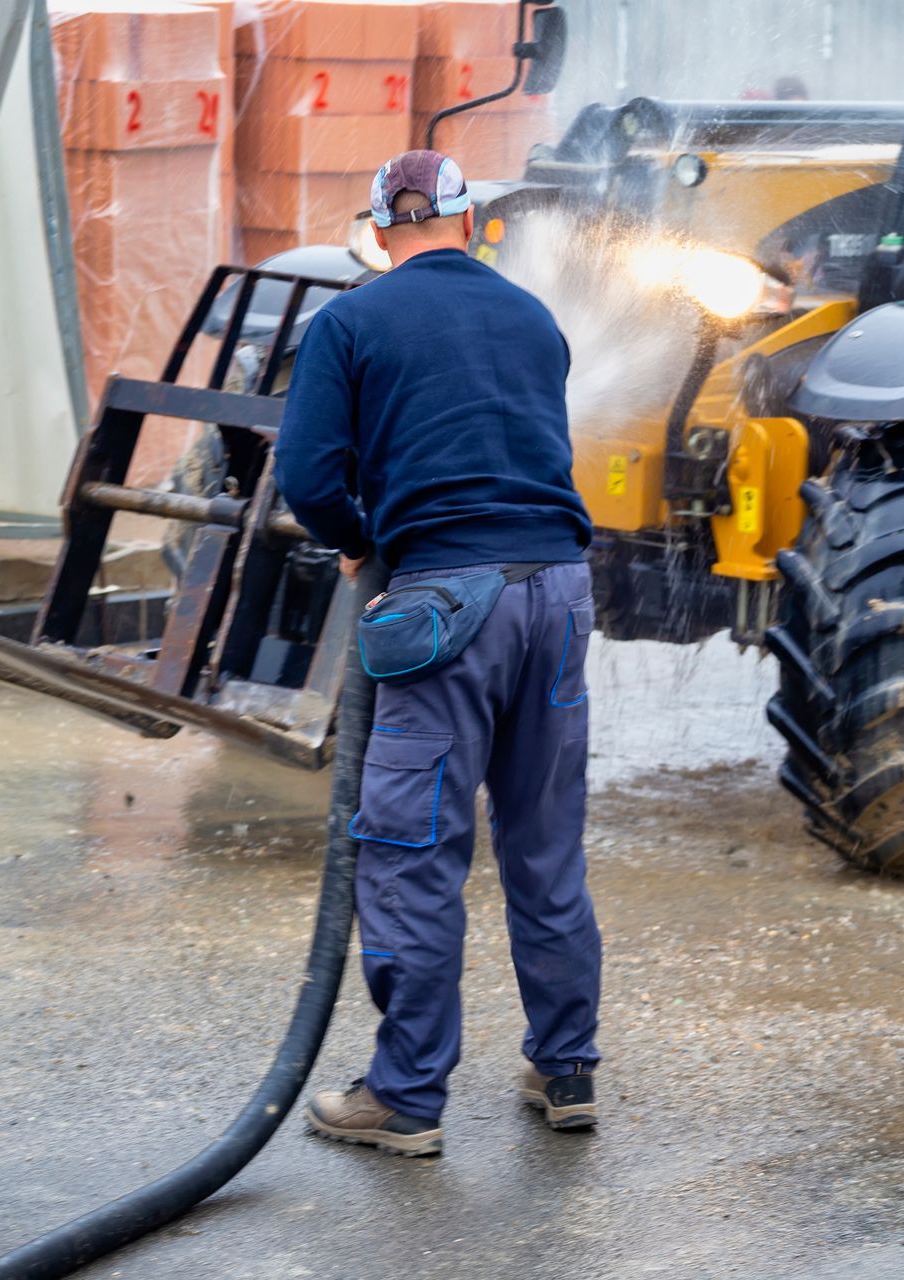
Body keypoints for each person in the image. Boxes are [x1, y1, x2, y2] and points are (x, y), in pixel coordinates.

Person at [271, 150, 602, 1158]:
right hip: (559, 589)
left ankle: (406, 1098)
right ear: (470, 222)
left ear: (380, 229)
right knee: (544, 842)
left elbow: (307, 475)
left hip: (446, 603)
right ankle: (567, 1067)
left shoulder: (352, 321)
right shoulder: (532, 318)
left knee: (416, 849)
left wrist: (361, 537)